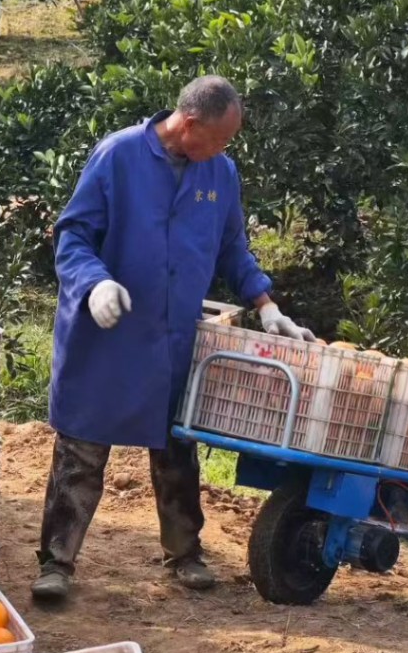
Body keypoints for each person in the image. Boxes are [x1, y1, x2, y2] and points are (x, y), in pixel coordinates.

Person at [32, 75, 312, 602]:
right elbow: (73, 235)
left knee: (176, 448)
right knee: (82, 450)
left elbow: (232, 247)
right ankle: (56, 563)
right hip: (106, 334)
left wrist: (266, 305)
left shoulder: (219, 173)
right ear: (189, 124)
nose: (224, 149)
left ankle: (184, 553)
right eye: (220, 138)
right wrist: (94, 284)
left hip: (173, 338)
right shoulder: (119, 156)